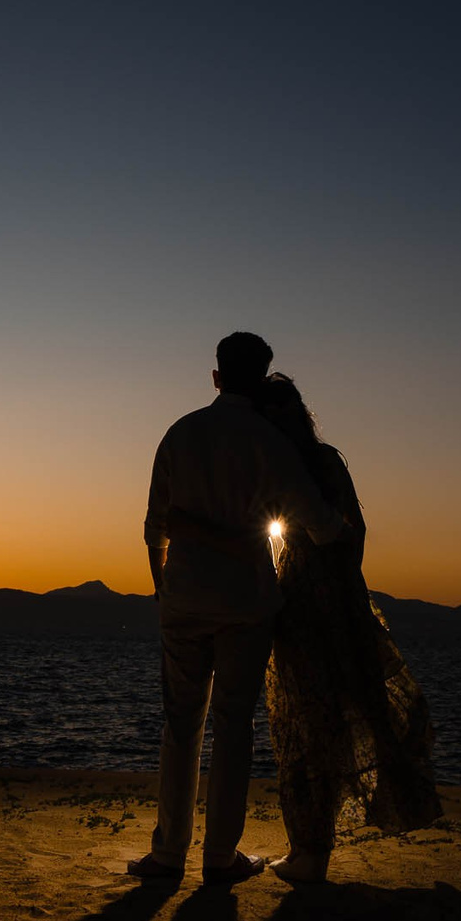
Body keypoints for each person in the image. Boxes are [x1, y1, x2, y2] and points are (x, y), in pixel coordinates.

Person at [130, 332, 346, 884]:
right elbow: (322, 527)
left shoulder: (180, 433)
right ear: (261, 379)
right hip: (247, 604)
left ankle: (169, 853)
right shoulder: (270, 443)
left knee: (181, 725)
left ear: (216, 377)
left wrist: (163, 587)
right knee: (232, 728)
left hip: (184, 599)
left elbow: (155, 529)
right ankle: (220, 858)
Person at [248, 372, 442, 883]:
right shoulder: (323, 460)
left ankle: (311, 850)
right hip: (336, 594)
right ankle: (312, 848)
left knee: (306, 724)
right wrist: (343, 580)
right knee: (334, 718)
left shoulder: (282, 466)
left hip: (304, 600)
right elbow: (356, 530)